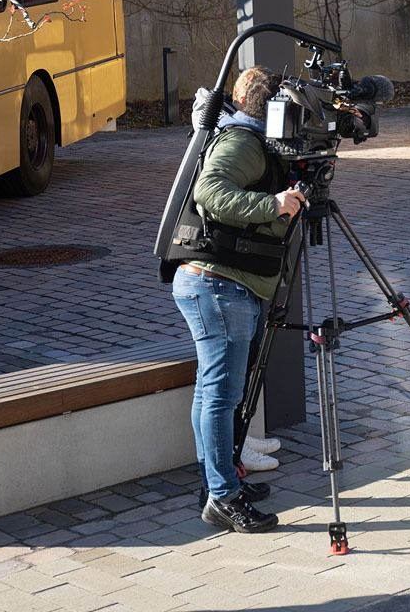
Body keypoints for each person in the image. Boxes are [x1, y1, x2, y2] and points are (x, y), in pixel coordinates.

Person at [172, 65, 306, 533]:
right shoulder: (244, 142)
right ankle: (222, 497)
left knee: (213, 392)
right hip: (217, 284)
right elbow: (210, 192)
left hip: (217, 283)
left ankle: (217, 482)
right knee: (220, 395)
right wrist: (274, 205)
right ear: (270, 107)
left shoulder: (247, 138)